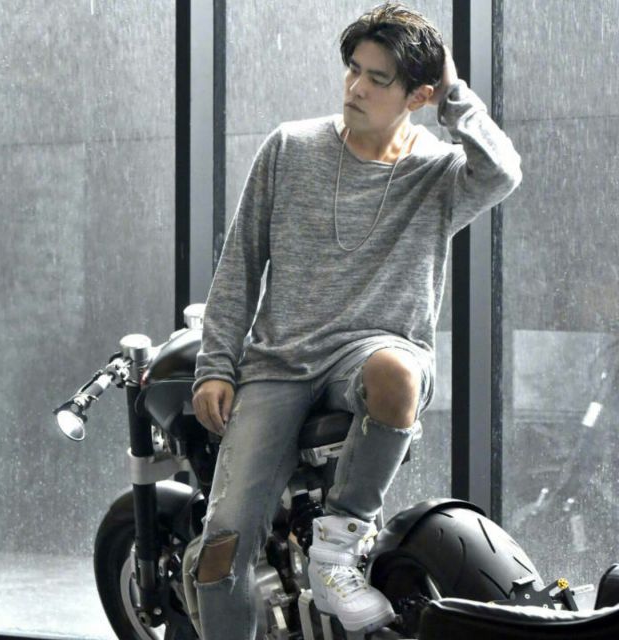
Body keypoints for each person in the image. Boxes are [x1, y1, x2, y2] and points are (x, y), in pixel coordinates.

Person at [190, 2, 522, 638]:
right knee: (220, 550)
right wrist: (217, 365)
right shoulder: (289, 147)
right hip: (279, 364)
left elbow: (503, 171)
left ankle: (338, 550)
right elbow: (240, 263)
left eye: (377, 78)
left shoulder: (439, 173)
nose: (355, 87)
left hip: (375, 352)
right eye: (353, 70)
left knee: (398, 372)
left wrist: (454, 95)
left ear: (418, 95)